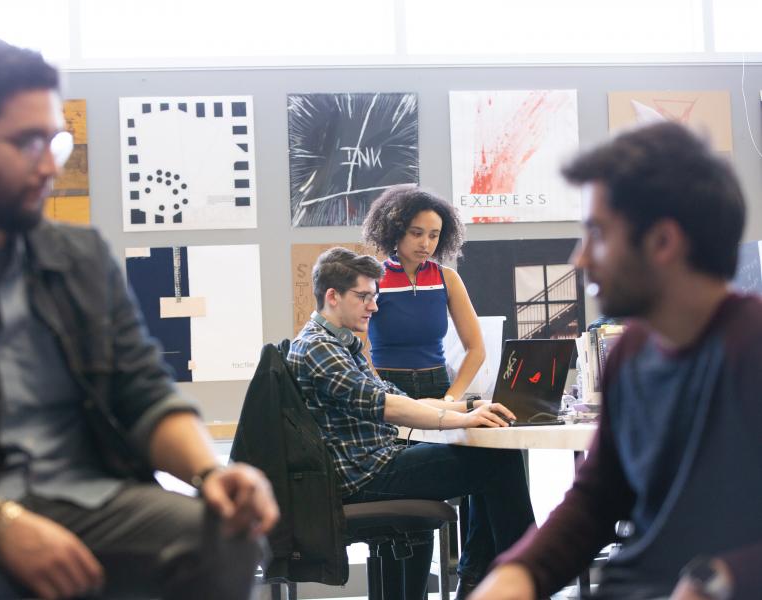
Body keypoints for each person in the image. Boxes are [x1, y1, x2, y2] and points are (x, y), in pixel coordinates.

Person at [0, 39, 278, 600]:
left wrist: (213, 474)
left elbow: (144, 393)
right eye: (26, 143)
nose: (48, 166)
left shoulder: (81, 257)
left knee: (224, 536)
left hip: (87, 498)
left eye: (54, 141)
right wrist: (0, 523)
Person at [471, 122, 762, 600]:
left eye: (597, 233)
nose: (580, 258)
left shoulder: (751, 346)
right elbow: (596, 499)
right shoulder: (632, 353)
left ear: (663, 242)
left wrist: (720, 580)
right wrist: (516, 575)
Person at [287, 247, 536, 600]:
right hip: (363, 477)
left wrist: (471, 405)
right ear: (333, 296)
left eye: (374, 297)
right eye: (364, 297)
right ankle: (520, 581)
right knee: (498, 461)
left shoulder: (341, 345)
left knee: (494, 456)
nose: (374, 306)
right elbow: (387, 406)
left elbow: (402, 399)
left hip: (374, 464)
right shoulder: (318, 347)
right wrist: (462, 418)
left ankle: (488, 580)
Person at [361, 185, 498, 594]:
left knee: (487, 466)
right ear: (395, 230)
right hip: (390, 392)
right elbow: (360, 351)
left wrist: (451, 398)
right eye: (417, 232)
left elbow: (476, 349)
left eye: (434, 235)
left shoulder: (447, 279)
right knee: (410, 506)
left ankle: (475, 573)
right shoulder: (373, 279)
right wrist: (386, 395)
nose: (426, 243)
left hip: (440, 390)